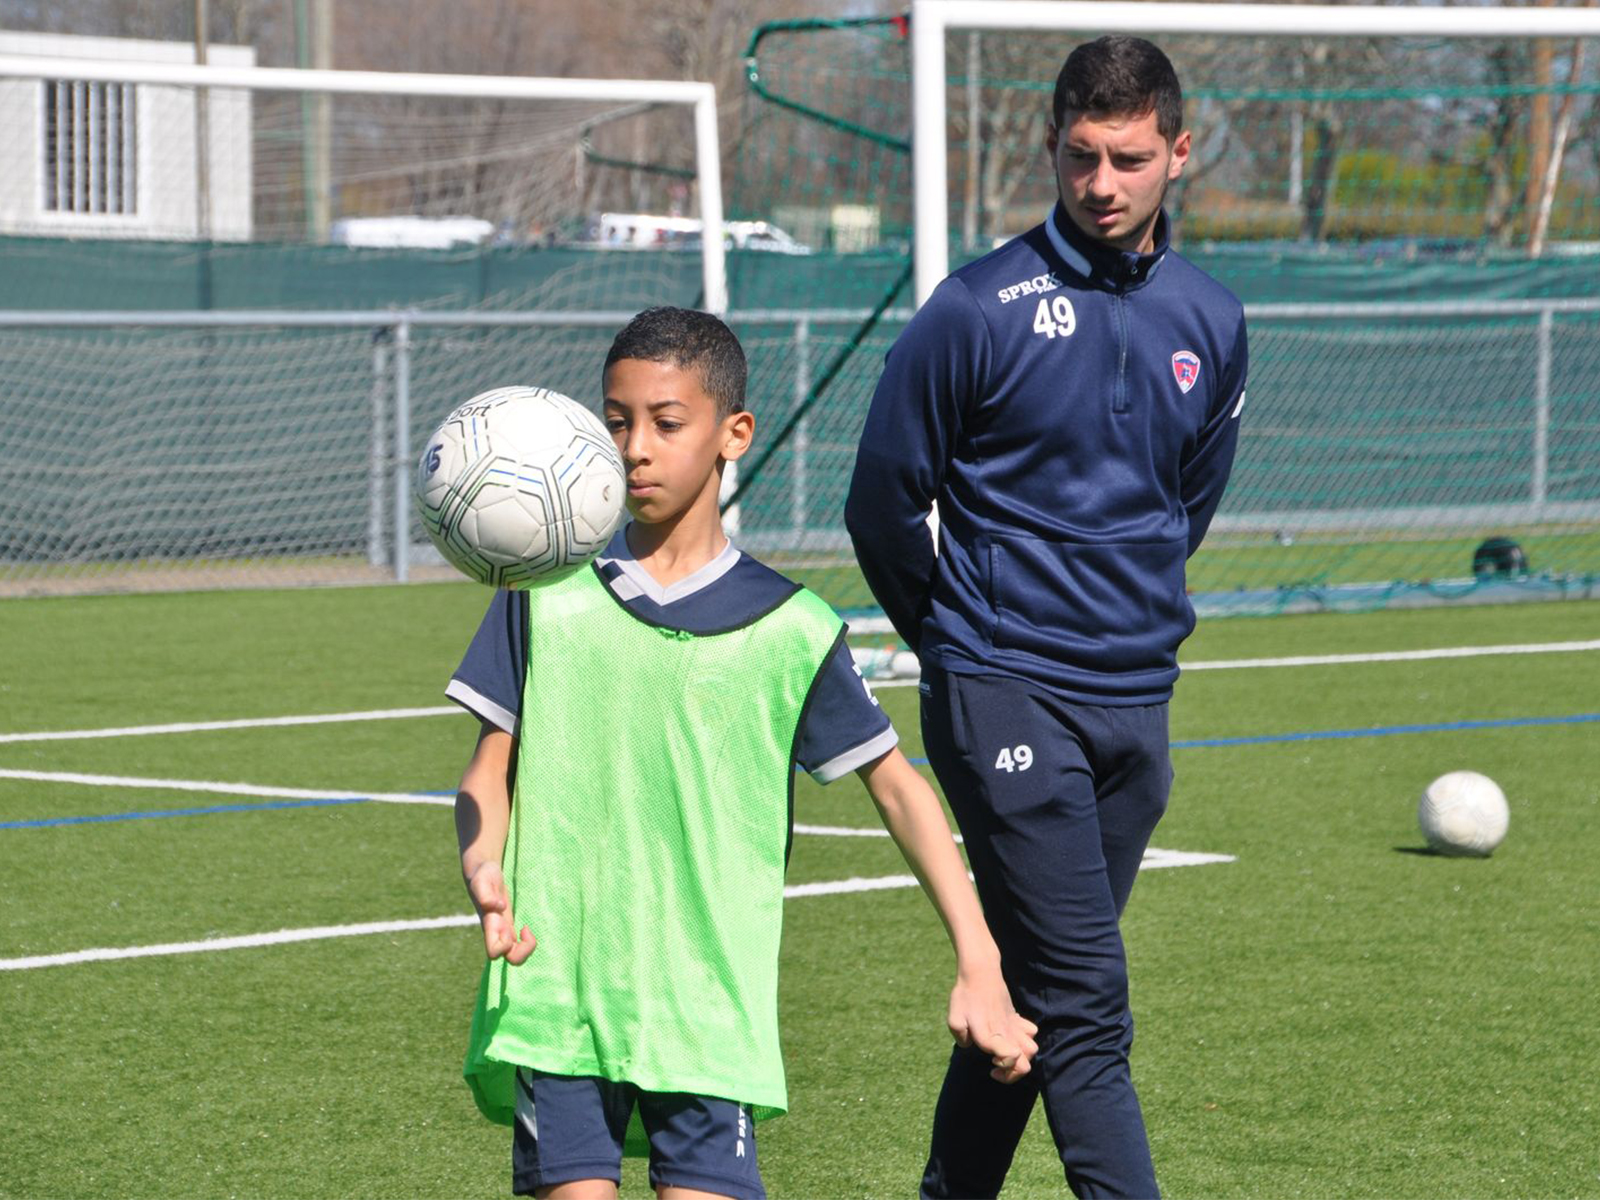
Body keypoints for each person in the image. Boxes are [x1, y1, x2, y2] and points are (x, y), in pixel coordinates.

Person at [448, 306, 1038, 1200]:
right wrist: (483, 860)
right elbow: (489, 769)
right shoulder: (545, 591)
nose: (635, 448)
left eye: (666, 422)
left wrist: (980, 961)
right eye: (616, 420)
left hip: (707, 1004)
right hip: (554, 991)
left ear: (735, 435)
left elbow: (899, 792)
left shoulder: (791, 629)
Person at [845, 36, 1249, 1200]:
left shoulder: (1211, 320)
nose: (1102, 184)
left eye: (1128, 158)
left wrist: (1125, 613)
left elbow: (1185, 506)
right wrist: (961, 650)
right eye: (1080, 157)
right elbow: (882, 506)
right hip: (1001, 688)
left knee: (1032, 985)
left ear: (1178, 151)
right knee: (1086, 1007)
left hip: (1137, 698)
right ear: (1052, 150)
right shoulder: (975, 308)